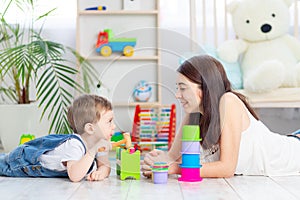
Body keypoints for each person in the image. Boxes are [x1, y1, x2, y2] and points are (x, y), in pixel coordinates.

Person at [142, 55, 300, 178]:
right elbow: (171, 157)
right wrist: (156, 161)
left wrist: (175, 168)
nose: (177, 95)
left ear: (206, 87)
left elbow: (226, 168)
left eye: (183, 88)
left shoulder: (228, 101)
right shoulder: (193, 115)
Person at [0, 94, 115, 182]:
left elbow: (104, 165)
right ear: (90, 129)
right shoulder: (75, 145)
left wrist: (100, 172)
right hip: (21, 162)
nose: (114, 126)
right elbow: (74, 176)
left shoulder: (99, 143)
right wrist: (93, 150)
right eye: (109, 122)